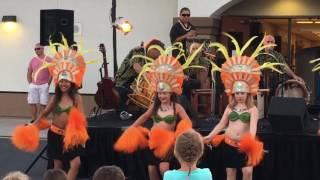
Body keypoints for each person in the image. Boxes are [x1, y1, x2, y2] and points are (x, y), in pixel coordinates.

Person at [203, 33, 277, 180]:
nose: (239, 95)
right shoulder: (230, 107)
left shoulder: (252, 109)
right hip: (229, 145)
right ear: (233, 93)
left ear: (248, 93)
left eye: (242, 92)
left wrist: (249, 142)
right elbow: (221, 124)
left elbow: (253, 128)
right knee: (230, 174)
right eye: (237, 93)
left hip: (244, 145)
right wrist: (210, 136)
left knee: (247, 173)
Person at [13, 41, 89, 180]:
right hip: (55, 135)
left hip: (71, 137)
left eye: (66, 82)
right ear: (58, 83)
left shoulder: (77, 97)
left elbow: (82, 117)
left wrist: (82, 135)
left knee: (76, 163)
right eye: (61, 82)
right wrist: (34, 124)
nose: (63, 84)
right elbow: (44, 113)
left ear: (71, 83)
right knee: (57, 166)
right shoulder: (55, 98)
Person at [114, 52, 194, 180]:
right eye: (160, 93)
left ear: (171, 93)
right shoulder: (154, 106)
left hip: (167, 143)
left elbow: (187, 122)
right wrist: (132, 128)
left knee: (164, 170)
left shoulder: (176, 107)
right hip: (152, 141)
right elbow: (144, 117)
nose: (162, 96)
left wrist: (182, 135)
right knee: (151, 170)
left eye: (165, 93)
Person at [114, 39, 165, 116]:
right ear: (153, 48)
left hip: (136, 84)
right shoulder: (138, 51)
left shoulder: (153, 59)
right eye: (158, 53)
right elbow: (137, 67)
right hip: (124, 82)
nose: (159, 56)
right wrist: (148, 80)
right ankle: (124, 112)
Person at [27, 43, 52, 122]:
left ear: (43, 49)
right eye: (35, 49)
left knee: (43, 103)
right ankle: (34, 119)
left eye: (38, 48)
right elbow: (29, 72)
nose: (36, 50)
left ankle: (40, 119)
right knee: (32, 102)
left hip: (44, 85)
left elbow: (52, 73)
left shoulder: (49, 59)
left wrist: (48, 84)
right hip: (33, 85)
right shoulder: (33, 60)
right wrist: (30, 83)